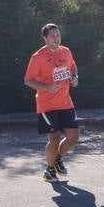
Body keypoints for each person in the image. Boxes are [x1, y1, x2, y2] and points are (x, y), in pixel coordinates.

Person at [24, 23, 79, 183]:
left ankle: (58, 159)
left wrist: (75, 78)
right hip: (47, 105)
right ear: (45, 38)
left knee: (73, 136)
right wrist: (47, 86)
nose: (57, 38)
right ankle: (49, 171)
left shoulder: (66, 52)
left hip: (66, 103)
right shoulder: (38, 57)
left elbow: (73, 67)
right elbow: (28, 80)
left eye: (58, 34)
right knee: (54, 138)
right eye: (53, 35)